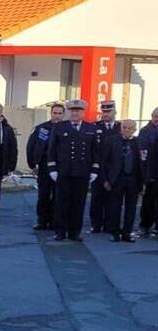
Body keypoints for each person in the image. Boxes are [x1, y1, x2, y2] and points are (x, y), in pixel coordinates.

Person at [48, 99, 101, 242]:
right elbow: (52, 149)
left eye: (78, 111)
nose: (75, 113)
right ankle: (60, 231)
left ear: (83, 112)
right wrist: (52, 168)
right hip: (64, 171)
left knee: (79, 203)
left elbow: (96, 151)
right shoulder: (59, 127)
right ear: (69, 112)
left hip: (82, 172)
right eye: (73, 111)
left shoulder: (91, 128)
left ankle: (75, 232)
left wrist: (94, 170)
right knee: (61, 203)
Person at [101, 119, 144, 243]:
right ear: (120, 128)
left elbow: (141, 162)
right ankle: (114, 232)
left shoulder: (137, 142)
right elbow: (104, 161)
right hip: (116, 179)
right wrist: (105, 180)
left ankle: (127, 233)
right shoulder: (111, 140)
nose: (126, 130)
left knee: (131, 208)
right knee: (114, 207)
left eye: (130, 128)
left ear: (134, 130)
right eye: (124, 127)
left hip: (133, 179)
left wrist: (143, 181)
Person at [27, 103, 66, 230]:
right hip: (44, 166)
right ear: (51, 113)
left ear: (63, 114)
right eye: (55, 113)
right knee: (43, 195)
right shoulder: (41, 128)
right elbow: (31, 146)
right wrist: (32, 164)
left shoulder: (67, 129)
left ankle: (55, 221)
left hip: (60, 167)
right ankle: (42, 221)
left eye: (60, 113)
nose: (57, 116)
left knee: (58, 195)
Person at [90, 100, 121, 233]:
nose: (106, 114)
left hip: (114, 168)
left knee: (113, 198)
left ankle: (110, 225)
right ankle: (96, 224)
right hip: (98, 166)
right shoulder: (95, 127)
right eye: (104, 112)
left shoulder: (120, 127)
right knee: (97, 196)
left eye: (109, 112)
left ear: (115, 112)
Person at [137, 107, 158, 238]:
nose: (157, 119)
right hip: (150, 171)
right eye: (156, 116)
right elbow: (142, 151)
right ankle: (145, 225)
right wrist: (146, 173)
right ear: (152, 116)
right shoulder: (146, 131)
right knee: (148, 201)